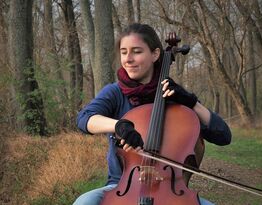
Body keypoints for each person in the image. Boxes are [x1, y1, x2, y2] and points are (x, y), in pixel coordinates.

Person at [74, 23, 231, 205]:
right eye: (124, 52)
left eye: (137, 51)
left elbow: (223, 136)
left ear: (155, 54)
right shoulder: (115, 92)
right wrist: (118, 125)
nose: (128, 59)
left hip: (170, 191)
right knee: (83, 202)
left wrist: (192, 102)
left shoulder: (174, 95)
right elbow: (84, 118)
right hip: (121, 187)